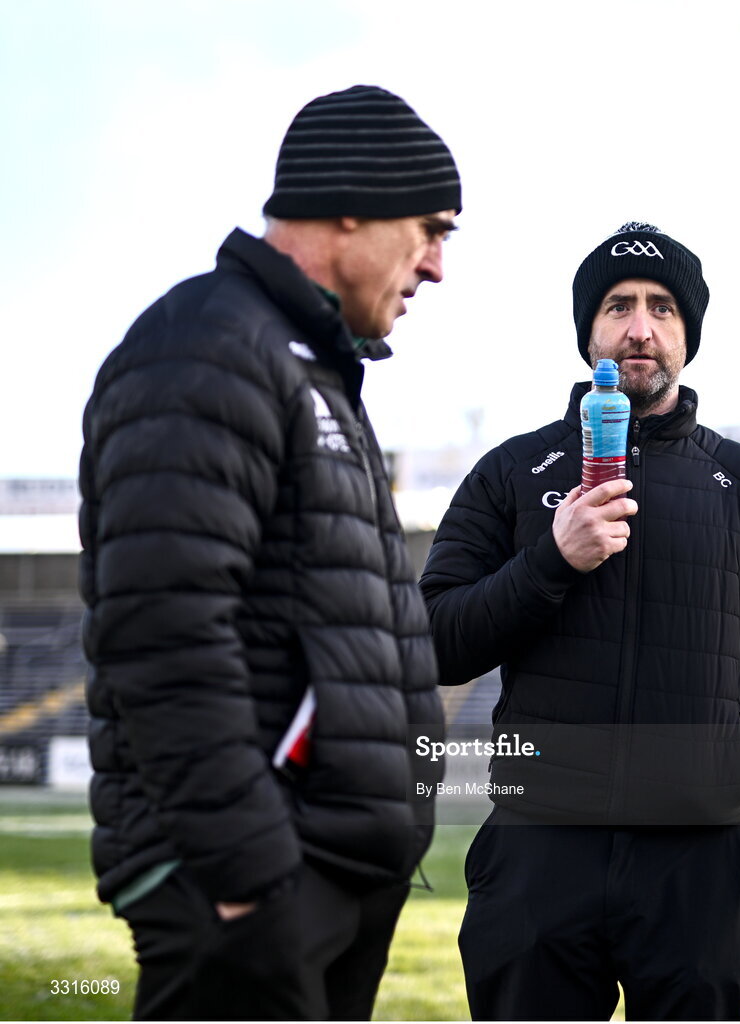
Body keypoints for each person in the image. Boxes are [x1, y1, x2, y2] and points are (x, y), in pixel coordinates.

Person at [79, 84, 459, 1021]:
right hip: (253, 880)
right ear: (349, 205)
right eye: (431, 228)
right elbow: (162, 624)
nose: (438, 266)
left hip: (324, 871)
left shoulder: (310, 367)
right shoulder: (204, 346)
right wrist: (249, 874)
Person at [419, 221, 740, 1021]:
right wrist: (550, 560)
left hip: (700, 855)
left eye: (662, 308)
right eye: (617, 306)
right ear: (589, 332)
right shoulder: (513, 472)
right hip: (537, 847)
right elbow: (436, 639)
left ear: (687, 335)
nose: (639, 327)